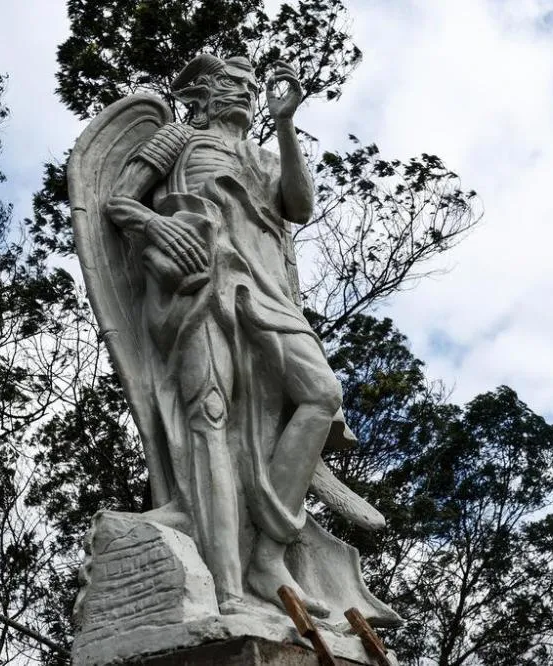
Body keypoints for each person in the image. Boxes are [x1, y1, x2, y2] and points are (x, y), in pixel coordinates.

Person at [102, 54, 351, 617]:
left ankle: (268, 555)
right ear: (203, 95)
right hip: (201, 287)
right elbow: (118, 201)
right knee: (210, 421)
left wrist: (286, 125)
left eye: (247, 86)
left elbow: (300, 206)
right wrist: (157, 223)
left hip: (268, 294)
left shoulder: (263, 156)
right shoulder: (177, 140)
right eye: (229, 84)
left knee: (320, 396)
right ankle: (228, 590)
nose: (241, 92)